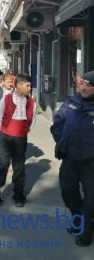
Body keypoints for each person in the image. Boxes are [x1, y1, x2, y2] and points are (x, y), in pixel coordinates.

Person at [50, 71, 94, 247]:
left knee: (91, 199)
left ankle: (86, 231)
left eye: (89, 84)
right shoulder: (71, 102)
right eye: (82, 83)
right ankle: (79, 219)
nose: (83, 87)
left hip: (91, 163)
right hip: (69, 158)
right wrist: (61, 143)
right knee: (68, 192)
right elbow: (57, 125)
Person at [0, 74, 36, 207]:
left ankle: (18, 195)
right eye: (27, 85)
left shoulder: (31, 102)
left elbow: (32, 120)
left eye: (30, 85)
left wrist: (24, 130)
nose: (30, 88)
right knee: (3, 164)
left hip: (21, 137)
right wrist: (5, 130)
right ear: (18, 85)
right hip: (6, 136)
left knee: (19, 166)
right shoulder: (6, 99)